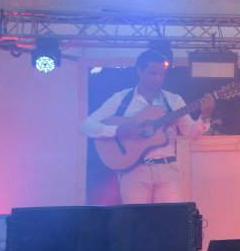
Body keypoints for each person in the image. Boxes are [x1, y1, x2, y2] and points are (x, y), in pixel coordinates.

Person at [81, 49, 215, 204]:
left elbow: (192, 134)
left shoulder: (173, 100)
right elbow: (87, 125)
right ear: (139, 70)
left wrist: (205, 117)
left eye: (162, 74)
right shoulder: (122, 99)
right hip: (134, 171)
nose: (158, 78)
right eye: (153, 73)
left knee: (171, 217)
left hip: (168, 170)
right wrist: (117, 130)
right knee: (137, 218)